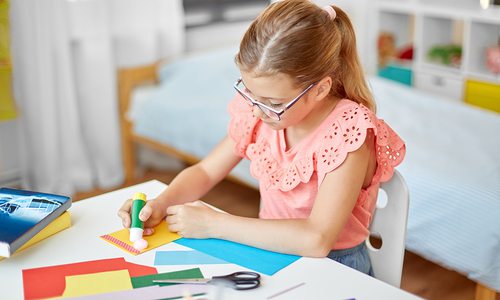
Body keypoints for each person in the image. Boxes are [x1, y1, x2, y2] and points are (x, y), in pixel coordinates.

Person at [118, 0, 405, 275]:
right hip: (267, 251)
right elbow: (206, 171)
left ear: (319, 90)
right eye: (251, 93)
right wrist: (161, 203)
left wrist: (216, 224)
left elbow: (317, 239)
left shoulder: (348, 130)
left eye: (273, 102)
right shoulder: (259, 111)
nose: (257, 109)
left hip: (334, 267)